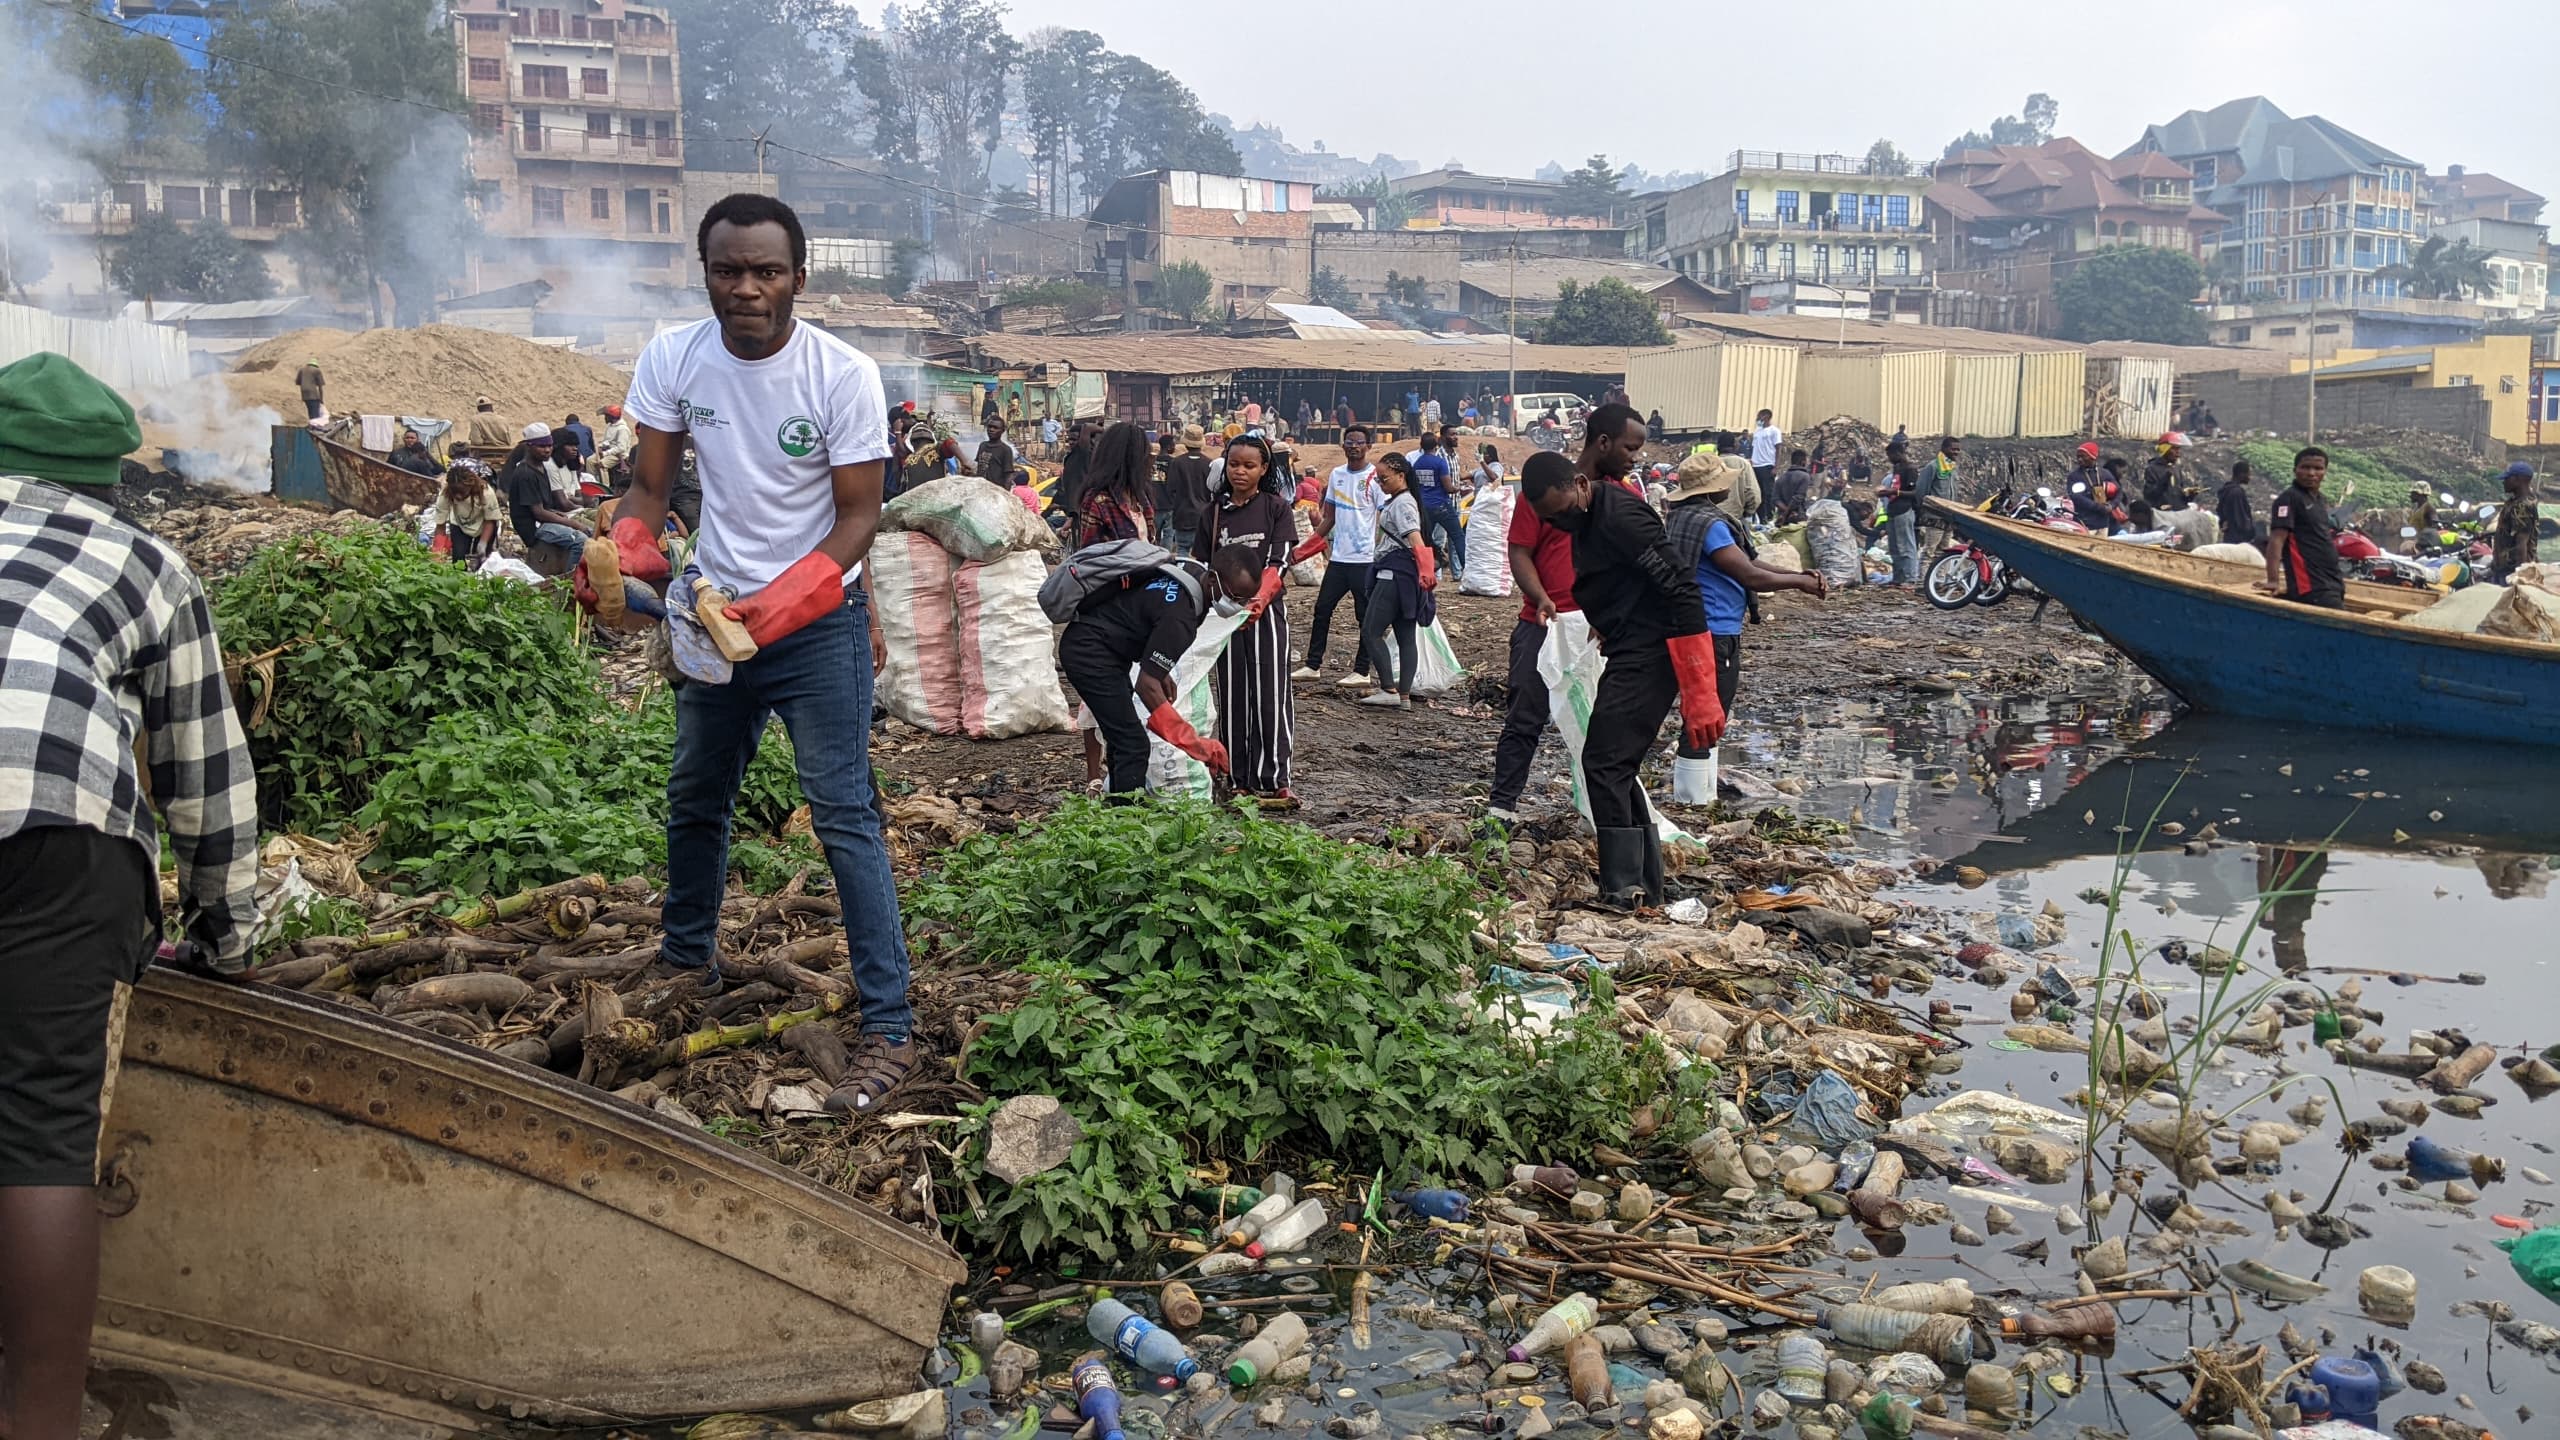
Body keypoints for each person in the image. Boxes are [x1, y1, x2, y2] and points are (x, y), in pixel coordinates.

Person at [598, 193, 915, 1110]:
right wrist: (626, 548)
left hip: (816, 627)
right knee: (697, 794)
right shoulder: (674, 357)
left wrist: (791, 599)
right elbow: (649, 486)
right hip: (713, 615)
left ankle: (890, 1025)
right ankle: (685, 960)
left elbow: (861, 513)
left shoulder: (841, 374)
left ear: (797, 280)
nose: (747, 288)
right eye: (728, 270)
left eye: (766, 271)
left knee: (843, 810)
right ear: (705, 274)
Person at [0, 352, 259, 1440]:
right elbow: (203, 776)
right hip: (56, 836)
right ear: (108, 473)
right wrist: (224, 930)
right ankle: (43, 1418)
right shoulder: (145, 564)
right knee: (40, 1137)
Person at [1519, 412, 1723, 910]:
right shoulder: (1586, 518)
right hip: (1630, 644)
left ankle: (1625, 888)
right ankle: (1642, 885)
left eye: (1563, 511)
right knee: (1615, 762)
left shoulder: (1620, 516)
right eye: (1550, 520)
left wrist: (1701, 693)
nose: (1559, 524)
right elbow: (1621, 581)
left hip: (1656, 651)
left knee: (1605, 761)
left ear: (1581, 485)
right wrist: (1606, 620)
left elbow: (1680, 588)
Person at [1058, 545, 1261, 795]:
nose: (1238, 605)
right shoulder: (1181, 616)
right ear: (1212, 579)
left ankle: (1116, 810)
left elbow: (1146, 614)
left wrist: (1161, 671)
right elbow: (1146, 685)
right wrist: (1195, 744)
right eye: (1235, 596)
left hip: (1102, 644)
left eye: (1245, 600)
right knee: (1133, 744)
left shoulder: (1188, 572)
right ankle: (1123, 823)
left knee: (1123, 737)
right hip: (1090, 653)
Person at [1662, 452, 1825, 751]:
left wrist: (1798, 575)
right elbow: (1750, 575)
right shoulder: (1711, 525)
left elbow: (1751, 562)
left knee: (1697, 712)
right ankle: (1695, 793)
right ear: (1711, 489)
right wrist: (1800, 582)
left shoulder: (1683, 517)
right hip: (1715, 631)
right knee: (1707, 720)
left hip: (1692, 627)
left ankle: (1694, 787)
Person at [1195, 434, 1295, 799]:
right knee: (1233, 696)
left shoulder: (1275, 508)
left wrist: (1260, 599)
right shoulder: (1214, 513)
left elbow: (1280, 560)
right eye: (1234, 464)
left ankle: (1276, 778)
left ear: (1264, 469)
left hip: (1266, 616)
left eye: (1249, 465)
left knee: (1271, 692)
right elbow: (1203, 566)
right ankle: (1239, 778)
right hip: (1226, 617)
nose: (1240, 471)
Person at [1486, 444, 1580, 825]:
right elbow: (1519, 551)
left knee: (1602, 724)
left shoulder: (1616, 496)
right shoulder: (1541, 492)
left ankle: (1598, 808)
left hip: (1596, 629)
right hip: (1541, 623)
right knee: (1525, 717)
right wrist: (1540, 597)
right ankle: (1501, 807)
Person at [1293, 423, 1382, 683]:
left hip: (1364, 559)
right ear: (1343, 446)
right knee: (1322, 609)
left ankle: (1362, 671)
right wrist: (1309, 545)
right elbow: (1329, 516)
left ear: (1368, 446)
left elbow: (1384, 515)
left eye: (1359, 442)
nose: (1354, 446)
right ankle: (1312, 665)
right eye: (1349, 442)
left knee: (1364, 616)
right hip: (1339, 559)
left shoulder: (1375, 478)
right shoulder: (1336, 475)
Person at [1352, 451, 1435, 710]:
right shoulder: (1404, 501)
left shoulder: (1402, 504)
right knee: (1405, 636)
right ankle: (1404, 696)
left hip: (1394, 575)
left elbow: (1415, 538)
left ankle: (1388, 688)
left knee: (1371, 630)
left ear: (1401, 475)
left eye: (1384, 478)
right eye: (1377, 479)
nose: (1380, 484)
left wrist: (1427, 571)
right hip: (1408, 578)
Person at [2264, 446, 2344, 608]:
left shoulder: (2320, 500)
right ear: (2295, 470)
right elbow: (2277, 540)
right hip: (2310, 586)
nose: (2311, 473)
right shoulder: (2288, 499)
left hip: (2332, 581)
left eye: (2318, 468)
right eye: (2305, 467)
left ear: (2325, 472)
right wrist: (2273, 580)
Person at [504, 425, 589, 557]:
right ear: (528, 446)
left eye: (550, 446)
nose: (547, 450)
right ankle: (569, 575)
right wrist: (574, 524)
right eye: (542, 446)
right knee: (580, 541)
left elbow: (544, 506)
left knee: (590, 529)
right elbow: (539, 513)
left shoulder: (540, 467)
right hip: (534, 527)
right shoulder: (526, 473)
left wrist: (561, 515)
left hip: (542, 520)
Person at [1074, 421, 1159, 549]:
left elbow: (1150, 541)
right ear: (1131, 459)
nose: (1148, 462)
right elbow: (1090, 556)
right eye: (1145, 456)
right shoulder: (1098, 501)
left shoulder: (1141, 495)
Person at [1409, 430, 1464, 579]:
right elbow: (1448, 488)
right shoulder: (1440, 462)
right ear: (1436, 444)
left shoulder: (1417, 464)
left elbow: (1416, 486)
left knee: (1426, 539)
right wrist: (1459, 488)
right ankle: (1467, 569)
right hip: (1442, 505)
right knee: (1458, 537)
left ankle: (1425, 570)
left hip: (1425, 508)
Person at [432, 460, 503, 565]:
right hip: (459, 524)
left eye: (462, 492)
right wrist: (438, 549)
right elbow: (440, 524)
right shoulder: (445, 494)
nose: (458, 496)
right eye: (455, 493)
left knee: (481, 560)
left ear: (470, 486)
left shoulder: (486, 493)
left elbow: (490, 520)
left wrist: (482, 544)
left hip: (483, 525)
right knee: (459, 558)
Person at [1162, 424, 1215, 557]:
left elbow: (1170, 489)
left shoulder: (1177, 463)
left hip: (1182, 515)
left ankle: (1182, 576)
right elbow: (1212, 491)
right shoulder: (1208, 463)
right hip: (1203, 516)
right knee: (1203, 555)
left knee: (1182, 551)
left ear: (1185, 443)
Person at [2491, 461, 2539, 581]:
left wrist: (2519, 577)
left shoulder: (2522, 507)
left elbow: (2521, 543)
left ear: (2518, 479)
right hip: (2503, 568)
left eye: (2507, 478)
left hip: (2510, 571)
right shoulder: (2515, 502)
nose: (2504, 481)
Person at [1882, 439, 1922, 584]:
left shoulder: (1910, 469)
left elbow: (1915, 493)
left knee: (1906, 546)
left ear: (1898, 453)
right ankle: (1897, 578)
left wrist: (1895, 492)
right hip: (1892, 510)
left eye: (1890, 455)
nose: (1889, 459)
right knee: (1894, 547)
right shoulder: (1897, 468)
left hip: (1904, 511)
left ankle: (1911, 578)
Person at [2065, 442, 2118, 533]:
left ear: (2093, 457)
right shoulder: (2074, 477)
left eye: (2083, 456)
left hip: (2103, 523)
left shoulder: (2105, 474)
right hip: (2084, 523)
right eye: (2078, 457)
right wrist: (2098, 507)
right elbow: (2077, 497)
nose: (2079, 459)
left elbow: (2118, 492)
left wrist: (2111, 506)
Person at [590, 403, 637, 491]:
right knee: (590, 460)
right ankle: (594, 484)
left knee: (602, 464)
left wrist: (605, 453)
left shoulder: (622, 429)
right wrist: (601, 446)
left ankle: (605, 488)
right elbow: (608, 441)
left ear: (611, 417)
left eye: (606, 416)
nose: (605, 418)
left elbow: (621, 448)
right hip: (610, 452)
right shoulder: (610, 427)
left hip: (619, 456)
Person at [1747, 408, 1782, 520]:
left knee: (1768, 493)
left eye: (1760, 416)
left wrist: (1776, 467)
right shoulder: (1757, 431)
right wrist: (1751, 460)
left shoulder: (1774, 431)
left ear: (1767, 416)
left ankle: (1769, 516)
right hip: (1756, 466)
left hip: (1767, 465)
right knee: (1758, 493)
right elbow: (1754, 448)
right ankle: (1761, 517)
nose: (1758, 419)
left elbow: (1778, 449)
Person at [2141, 431, 2188, 511]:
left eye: (2179, 449)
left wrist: (2189, 495)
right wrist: (2165, 480)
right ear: (2165, 449)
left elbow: (2179, 492)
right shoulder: (2152, 469)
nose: (2178, 453)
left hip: (2177, 514)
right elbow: (2149, 495)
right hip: (2161, 514)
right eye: (2174, 449)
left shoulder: (2176, 468)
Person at [2216, 461, 2258, 547]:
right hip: (2237, 540)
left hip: (2228, 536)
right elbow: (2241, 519)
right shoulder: (2237, 492)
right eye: (2249, 474)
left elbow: (2219, 510)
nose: (2250, 478)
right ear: (2241, 474)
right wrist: (2252, 532)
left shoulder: (2226, 490)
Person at [1772, 447, 1815, 524]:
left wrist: (1784, 513)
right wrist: (1789, 513)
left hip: (1781, 519)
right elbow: (1797, 498)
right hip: (1797, 517)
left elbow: (1775, 499)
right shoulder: (1805, 476)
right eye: (1807, 461)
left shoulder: (1781, 477)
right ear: (1803, 462)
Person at [974, 418, 1017, 491]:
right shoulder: (982, 445)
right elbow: (979, 467)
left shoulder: (1005, 450)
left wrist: (1006, 495)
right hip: (981, 489)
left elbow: (1009, 475)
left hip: (996, 491)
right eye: (989, 427)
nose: (991, 429)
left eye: (995, 428)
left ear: (1002, 431)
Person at [294, 356, 325, 420]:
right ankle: (315, 427)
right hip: (313, 395)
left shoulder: (301, 369)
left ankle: (312, 424)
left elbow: (297, 382)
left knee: (310, 411)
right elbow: (320, 387)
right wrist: (321, 399)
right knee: (315, 414)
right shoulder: (317, 370)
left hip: (304, 395)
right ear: (316, 365)